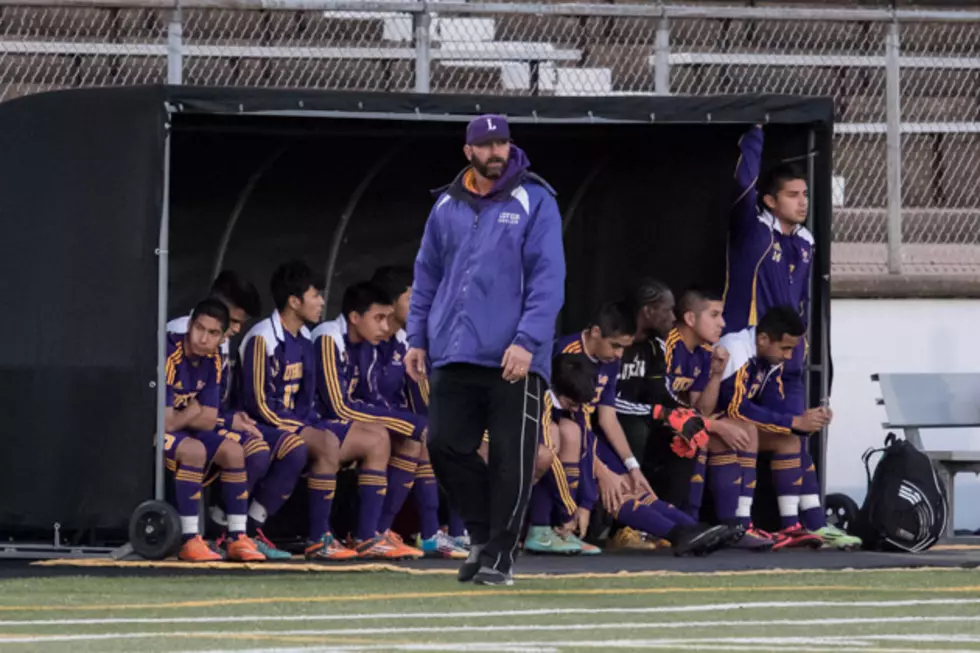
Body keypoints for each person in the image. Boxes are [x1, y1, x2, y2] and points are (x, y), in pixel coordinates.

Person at [405, 114, 565, 586]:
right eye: (487, 145)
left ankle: (500, 555)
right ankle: (481, 536)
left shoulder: (536, 199)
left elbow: (548, 278)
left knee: (511, 461)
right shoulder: (445, 205)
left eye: (503, 143)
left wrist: (527, 341)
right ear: (468, 151)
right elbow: (427, 275)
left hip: (514, 357)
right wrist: (417, 337)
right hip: (454, 352)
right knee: (443, 445)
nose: (497, 153)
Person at [724, 124, 833, 537]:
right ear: (769, 200)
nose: (802, 201)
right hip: (752, 351)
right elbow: (743, 181)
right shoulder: (754, 231)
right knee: (774, 427)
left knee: (800, 432)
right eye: (792, 194)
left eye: (805, 194)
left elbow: (802, 301)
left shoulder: (805, 242)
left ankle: (812, 525)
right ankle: (744, 524)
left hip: (788, 357)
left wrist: (797, 350)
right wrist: (755, 131)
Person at [551, 353, 733, 556]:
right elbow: (574, 433)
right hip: (564, 444)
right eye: (616, 345)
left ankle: (695, 530)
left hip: (587, 440)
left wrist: (632, 467)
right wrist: (600, 475)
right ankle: (679, 534)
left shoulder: (607, 364)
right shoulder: (566, 368)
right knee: (616, 491)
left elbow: (601, 422)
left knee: (632, 485)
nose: (620, 353)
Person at [239, 260, 360, 561]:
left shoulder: (305, 337)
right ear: (294, 302)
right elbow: (258, 404)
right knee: (320, 444)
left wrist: (312, 424)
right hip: (258, 424)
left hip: (293, 422)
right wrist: (302, 428)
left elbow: (306, 398)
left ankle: (343, 534)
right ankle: (317, 537)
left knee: (358, 437)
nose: (321, 301)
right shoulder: (261, 337)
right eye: (315, 294)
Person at [717, 305, 859, 549]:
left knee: (790, 438)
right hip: (712, 421)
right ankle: (741, 525)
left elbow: (774, 408)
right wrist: (793, 422)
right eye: (785, 348)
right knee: (755, 431)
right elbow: (735, 407)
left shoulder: (768, 356)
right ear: (762, 339)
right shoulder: (737, 348)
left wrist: (806, 421)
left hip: (738, 424)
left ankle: (800, 525)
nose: (788, 356)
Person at [310, 281, 425, 559]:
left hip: (342, 425)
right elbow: (336, 405)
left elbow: (369, 398)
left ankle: (375, 532)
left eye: (387, 318)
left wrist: (408, 423)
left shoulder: (366, 344)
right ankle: (337, 537)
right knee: (380, 438)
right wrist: (404, 423)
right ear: (354, 317)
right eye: (379, 318)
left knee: (410, 442)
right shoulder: (329, 336)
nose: (385, 327)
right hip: (314, 423)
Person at [166, 271, 277, 556]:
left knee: (235, 450)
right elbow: (164, 420)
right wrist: (192, 413)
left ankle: (236, 536)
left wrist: (195, 414)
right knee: (193, 450)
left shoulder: (216, 355)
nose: (206, 338)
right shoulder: (171, 345)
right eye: (201, 329)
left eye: (214, 332)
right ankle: (190, 539)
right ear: (192, 325)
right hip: (156, 429)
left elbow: (207, 415)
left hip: (192, 426)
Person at [370, 265, 469, 558]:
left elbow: (422, 394)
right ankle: (381, 531)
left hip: (397, 419)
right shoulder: (369, 338)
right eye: (411, 300)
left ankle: (450, 533)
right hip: (369, 420)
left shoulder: (405, 340)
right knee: (422, 439)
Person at [664, 288, 772, 550]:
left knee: (744, 430)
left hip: (682, 422)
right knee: (709, 435)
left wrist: (715, 375)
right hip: (654, 422)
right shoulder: (668, 345)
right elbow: (663, 407)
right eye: (714, 315)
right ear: (690, 318)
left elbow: (700, 408)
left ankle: (735, 527)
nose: (722, 323)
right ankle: (690, 523)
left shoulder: (703, 351)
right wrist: (716, 425)